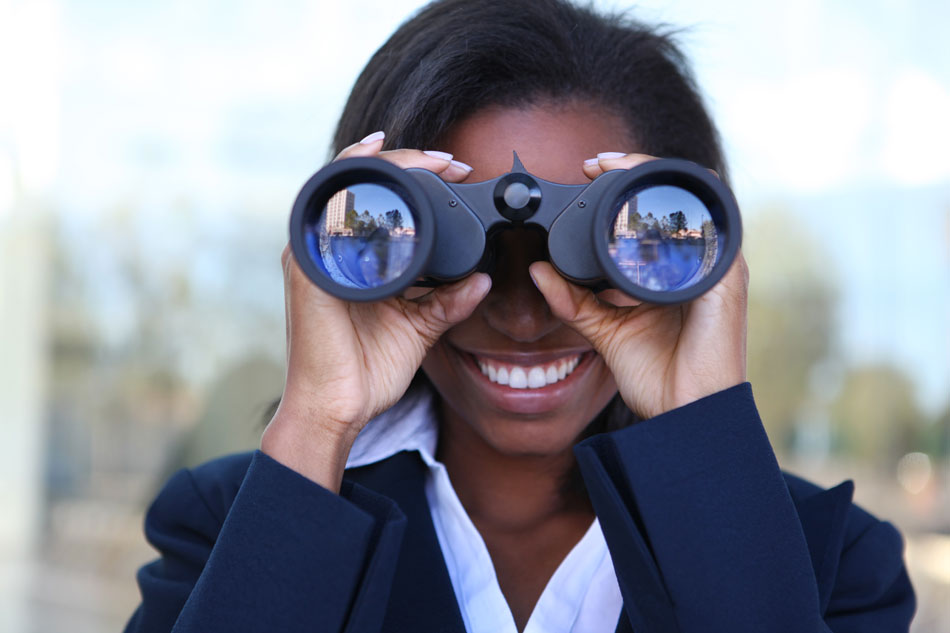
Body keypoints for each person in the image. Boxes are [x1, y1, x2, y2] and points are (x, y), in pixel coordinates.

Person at [124, 1, 915, 631]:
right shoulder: (233, 528)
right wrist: (318, 421)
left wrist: (703, 427)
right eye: (451, 245)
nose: (524, 313)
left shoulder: (835, 561)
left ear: (705, 250)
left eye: (605, 245)